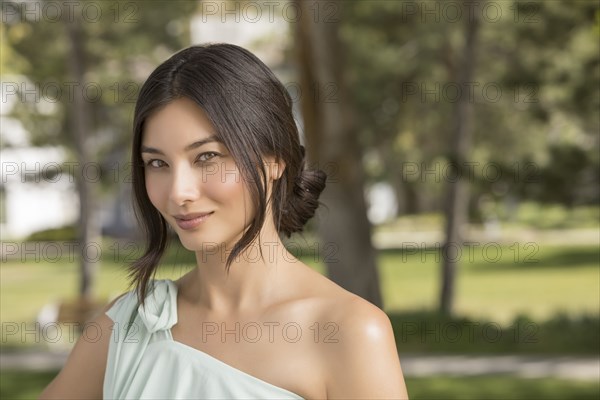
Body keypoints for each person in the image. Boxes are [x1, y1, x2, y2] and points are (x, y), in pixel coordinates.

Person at [40, 43, 409, 400]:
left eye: (207, 157)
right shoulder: (126, 326)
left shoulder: (347, 332)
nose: (178, 192)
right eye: (158, 163)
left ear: (276, 158)